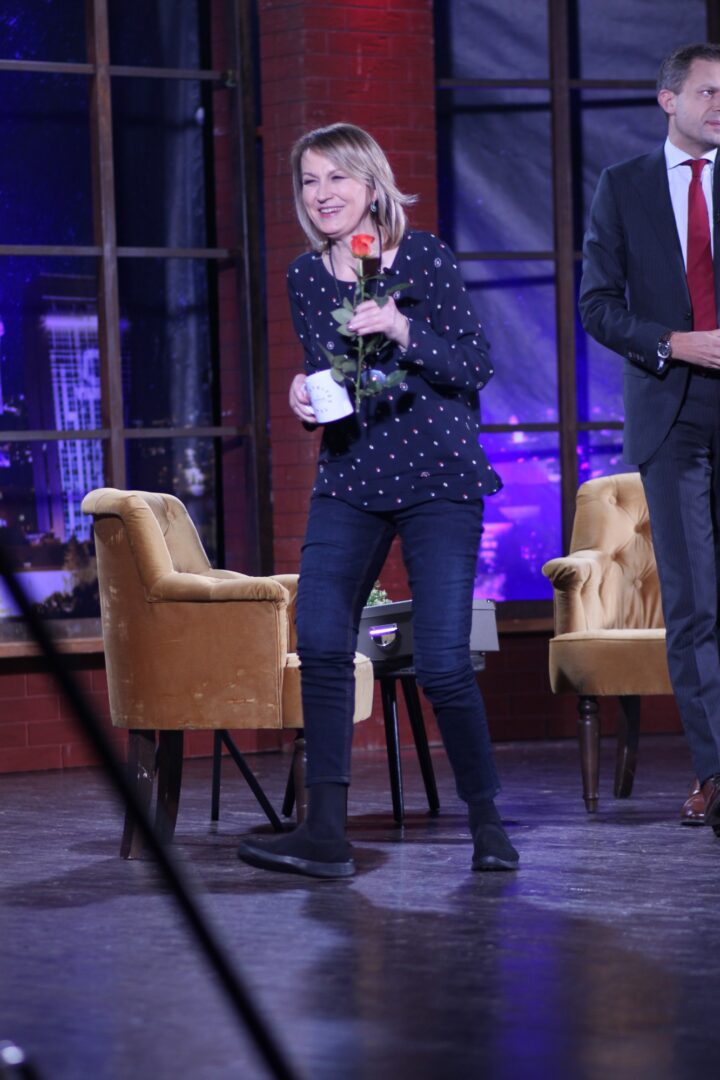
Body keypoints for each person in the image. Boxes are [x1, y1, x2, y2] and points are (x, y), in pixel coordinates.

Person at [236, 122, 518, 878]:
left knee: (443, 664)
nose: (321, 193)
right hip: (352, 475)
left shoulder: (423, 257)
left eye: (337, 178)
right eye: (309, 181)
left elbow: (473, 367)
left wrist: (401, 326)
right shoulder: (306, 276)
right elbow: (336, 377)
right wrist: (304, 396)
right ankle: (324, 833)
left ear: (371, 184)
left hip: (438, 477)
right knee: (323, 643)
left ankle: (488, 823)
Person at [579, 43, 720, 834]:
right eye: (708, 91)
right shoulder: (624, 185)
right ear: (669, 100)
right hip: (671, 411)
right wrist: (673, 342)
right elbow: (597, 305)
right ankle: (716, 771)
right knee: (694, 603)